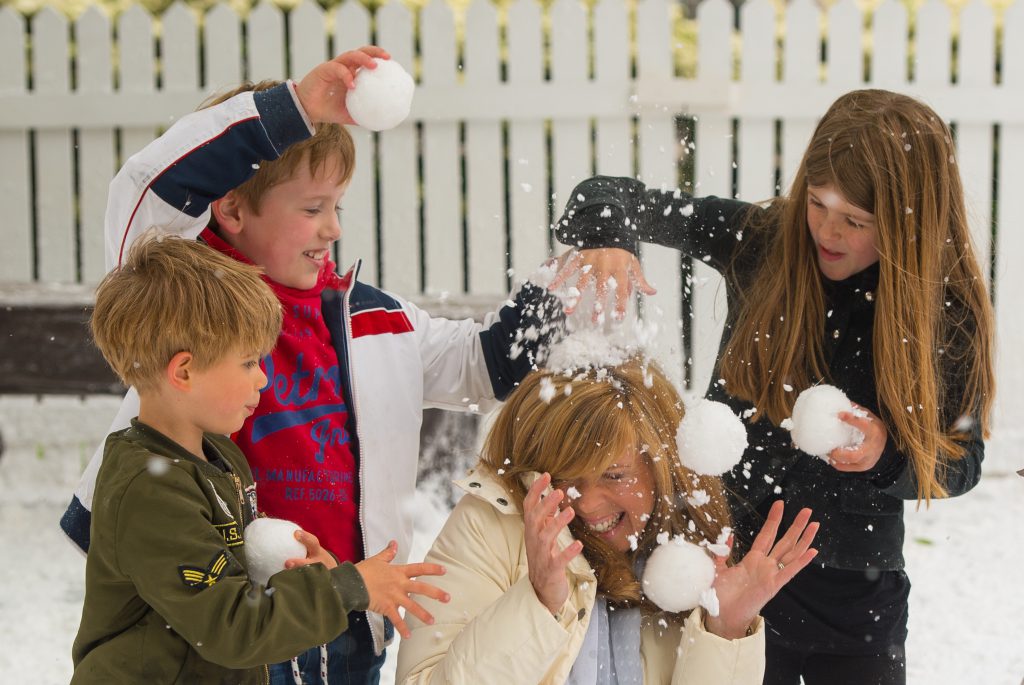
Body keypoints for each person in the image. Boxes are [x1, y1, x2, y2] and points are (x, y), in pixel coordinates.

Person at [60, 47, 562, 684]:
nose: (331, 230)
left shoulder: (377, 321)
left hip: (347, 615)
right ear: (233, 209)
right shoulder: (182, 294)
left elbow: (488, 366)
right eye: (310, 208)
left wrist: (567, 282)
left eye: (337, 208)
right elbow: (150, 184)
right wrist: (292, 110)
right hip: (225, 629)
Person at [549, 89, 995, 684]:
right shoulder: (763, 241)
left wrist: (886, 455)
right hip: (726, 571)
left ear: (909, 222)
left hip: (855, 598)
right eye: (816, 203)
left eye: (856, 221)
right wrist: (610, 237)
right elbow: (607, 194)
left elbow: (961, 463)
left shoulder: (943, 310)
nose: (827, 231)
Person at [73, 236, 449, 684]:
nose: (264, 378)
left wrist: (304, 570)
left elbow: (231, 573)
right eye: (249, 362)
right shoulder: (150, 489)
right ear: (185, 372)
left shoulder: (218, 453)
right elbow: (231, 626)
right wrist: (348, 588)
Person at [396, 359, 819, 684]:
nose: (589, 505)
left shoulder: (693, 552)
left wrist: (723, 630)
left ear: (662, 467)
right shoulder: (493, 525)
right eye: (566, 477)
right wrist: (540, 604)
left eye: (615, 475)